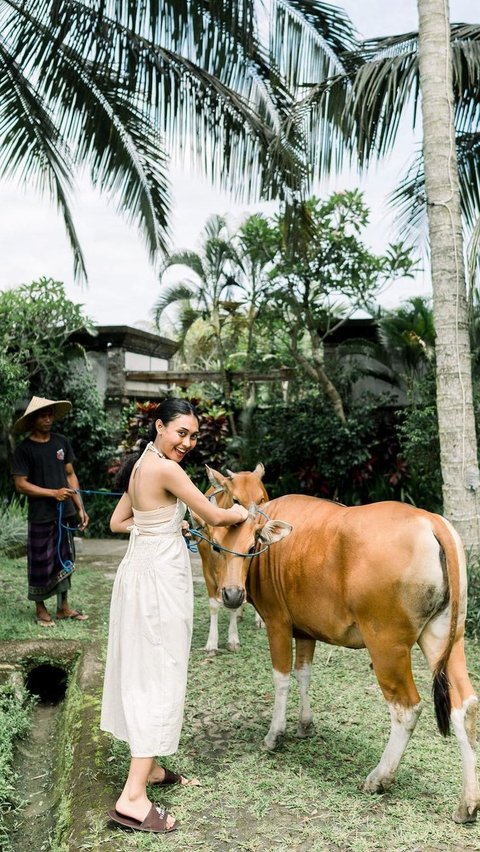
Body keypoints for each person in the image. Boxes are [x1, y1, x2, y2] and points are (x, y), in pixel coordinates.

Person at [101, 398, 249, 834]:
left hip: (137, 576)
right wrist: (244, 512)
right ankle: (132, 798)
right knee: (159, 674)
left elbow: (118, 521)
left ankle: (150, 769)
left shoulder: (141, 465)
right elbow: (218, 515)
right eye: (180, 432)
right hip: (158, 583)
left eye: (193, 436)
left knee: (145, 669)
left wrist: (164, 524)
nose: (187, 442)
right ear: (160, 426)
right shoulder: (167, 470)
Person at [11, 395, 89, 627]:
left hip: (64, 514)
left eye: (50, 415)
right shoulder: (25, 450)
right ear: (33, 420)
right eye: (42, 416)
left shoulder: (61, 442)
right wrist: (52, 493)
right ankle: (40, 608)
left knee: (65, 559)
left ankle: (64, 607)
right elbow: (21, 484)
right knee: (41, 561)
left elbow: (70, 474)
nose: (47, 419)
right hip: (41, 515)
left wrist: (80, 507)